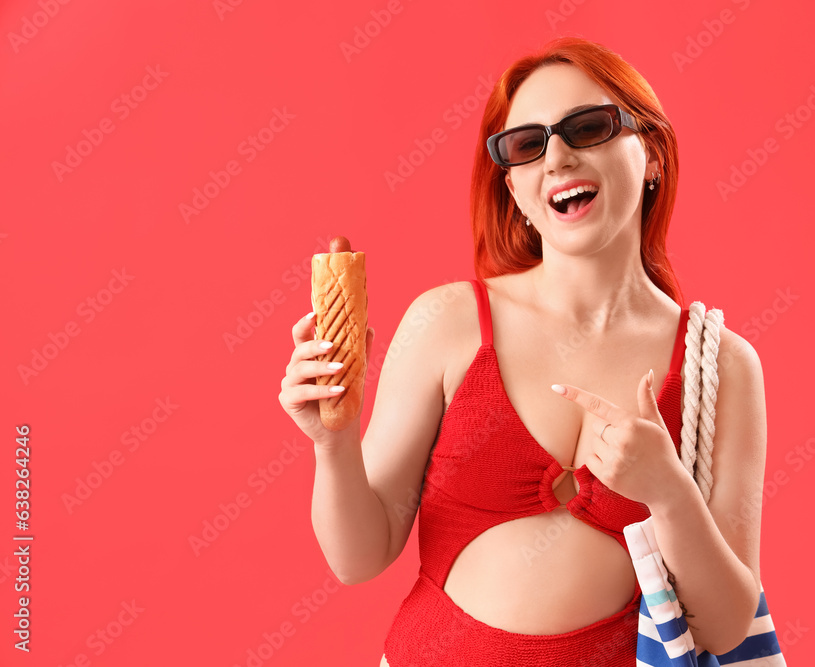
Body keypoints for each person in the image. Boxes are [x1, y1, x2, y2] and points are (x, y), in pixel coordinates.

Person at [279, 36, 767, 667]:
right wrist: (332, 443)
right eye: (527, 145)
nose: (557, 157)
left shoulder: (721, 366)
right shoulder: (447, 324)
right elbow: (358, 557)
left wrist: (669, 493)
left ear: (651, 155)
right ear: (513, 188)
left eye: (588, 127)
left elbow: (728, 630)